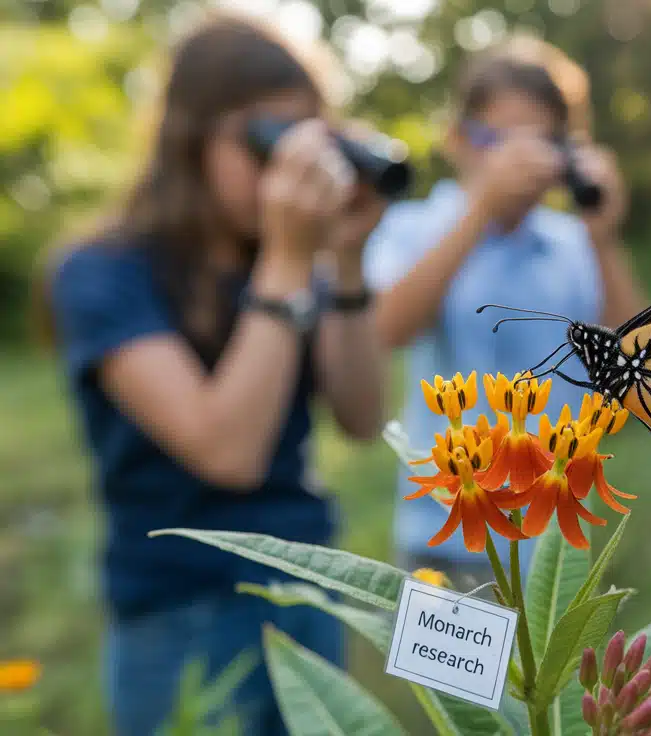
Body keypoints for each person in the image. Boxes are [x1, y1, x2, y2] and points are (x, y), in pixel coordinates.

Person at [38, 15, 389, 735]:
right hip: (178, 610)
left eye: (311, 141)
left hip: (302, 588)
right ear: (190, 140)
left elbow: (360, 416)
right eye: (269, 141)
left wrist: (346, 261)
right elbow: (227, 452)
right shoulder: (103, 272)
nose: (292, 170)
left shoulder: (293, 263)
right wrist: (291, 262)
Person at [363, 38, 644, 589]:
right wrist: (481, 209)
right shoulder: (417, 228)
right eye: (500, 140)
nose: (520, 160)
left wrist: (604, 238)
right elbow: (389, 328)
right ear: (457, 139)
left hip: (553, 537)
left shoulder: (574, 244)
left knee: (546, 677)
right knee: (446, 679)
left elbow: (632, 372)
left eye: (540, 142)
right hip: (444, 522)